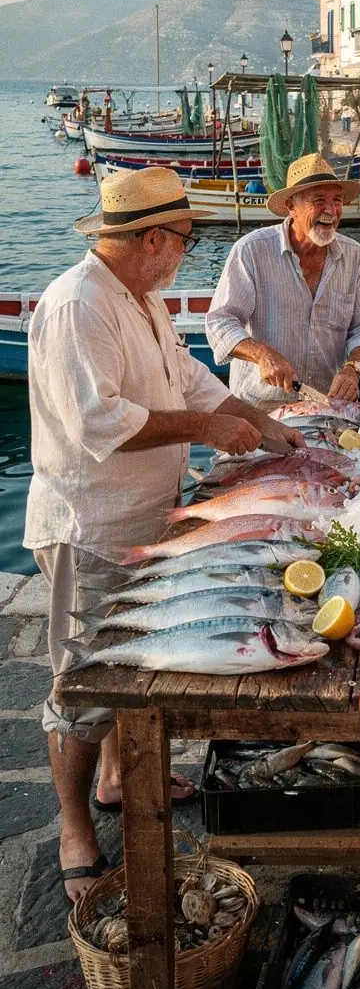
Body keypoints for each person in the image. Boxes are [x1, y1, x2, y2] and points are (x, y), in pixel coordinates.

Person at [24, 168, 303, 904]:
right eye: (182, 238)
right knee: (82, 681)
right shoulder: (77, 307)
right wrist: (210, 429)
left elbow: (191, 381)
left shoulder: (141, 300)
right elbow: (100, 425)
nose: (185, 251)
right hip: (91, 525)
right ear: (152, 239)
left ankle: (119, 777)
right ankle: (75, 825)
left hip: (151, 515)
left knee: (128, 655)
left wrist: (265, 425)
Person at [206, 153, 360, 404]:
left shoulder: (354, 256)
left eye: (337, 200)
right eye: (319, 201)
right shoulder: (252, 251)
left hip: (324, 407)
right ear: (291, 207)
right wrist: (262, 355)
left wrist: (353, 368)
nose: (331, 211)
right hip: (259, 408)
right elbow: (220, 322)